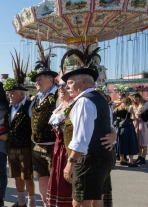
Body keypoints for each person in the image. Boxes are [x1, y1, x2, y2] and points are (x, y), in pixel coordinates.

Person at [60, 45, 116, 207]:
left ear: (83, 82)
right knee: (96, 199)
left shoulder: (84, 101)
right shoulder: (100, 98)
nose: (67, 86)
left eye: (70, 82)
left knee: (79, 202)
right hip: (104, 156)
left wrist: (71, 162)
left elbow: (82, 137)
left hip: (90, 158)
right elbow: (109, 124)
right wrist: (113, 134)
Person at [4, 54, 36, 207]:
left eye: (12, 92)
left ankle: (31, 203)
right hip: (12, 148)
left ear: (21, 94)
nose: (9, 95)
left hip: (25, 148)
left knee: (27, 177)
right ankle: (21, 202)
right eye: (8, 92)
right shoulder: (9, 108)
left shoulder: (30, 106)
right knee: (17, 176)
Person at [29, 41, 58, 206]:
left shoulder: (59, 96)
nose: (36, 82)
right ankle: (46, 205)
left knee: (56, 180)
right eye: (36, 80)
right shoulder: (38, 98)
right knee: (42, 177)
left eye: (40, 79)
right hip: (37, 146)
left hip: (52, 146)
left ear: (50, 79)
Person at [46, 79, 73, 207]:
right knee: (58, 182)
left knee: (68, 186)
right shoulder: (60, 105)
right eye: (59, 85)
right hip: (58, 150)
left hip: (69, 151)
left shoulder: (75, 105)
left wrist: (113, 133)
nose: (61, 88)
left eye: (64, 85)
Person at [113, 96, 139, 167]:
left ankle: (122, 160)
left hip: (119, 127)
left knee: (121, 143)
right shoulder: (130, 107)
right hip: (128, 126)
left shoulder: (118, 108)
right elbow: (133, 118)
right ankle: (131, 161)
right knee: (131, 142)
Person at [129, 92, 148, 165]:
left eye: (137, 97)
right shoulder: (133, 105)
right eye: (134, 98)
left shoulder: (145, 104)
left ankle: (143, 157)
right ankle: (139, 156)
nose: (135, 99)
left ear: (140, 97)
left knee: (143, 141)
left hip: (142, 123)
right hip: (135, 123)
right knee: (138, 141)